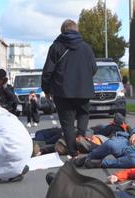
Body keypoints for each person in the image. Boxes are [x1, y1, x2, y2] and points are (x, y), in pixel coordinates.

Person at [41, 19, 97, 158]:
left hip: (62, 91)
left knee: (67, 123)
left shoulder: (56, 47)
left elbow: (48, 71)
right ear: (77, 30)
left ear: (62, 31)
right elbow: (94, 69)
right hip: (84, 90)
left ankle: (73, 152)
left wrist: (46, 89)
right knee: (84, 113)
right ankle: (81, 137)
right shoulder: (86, 48)